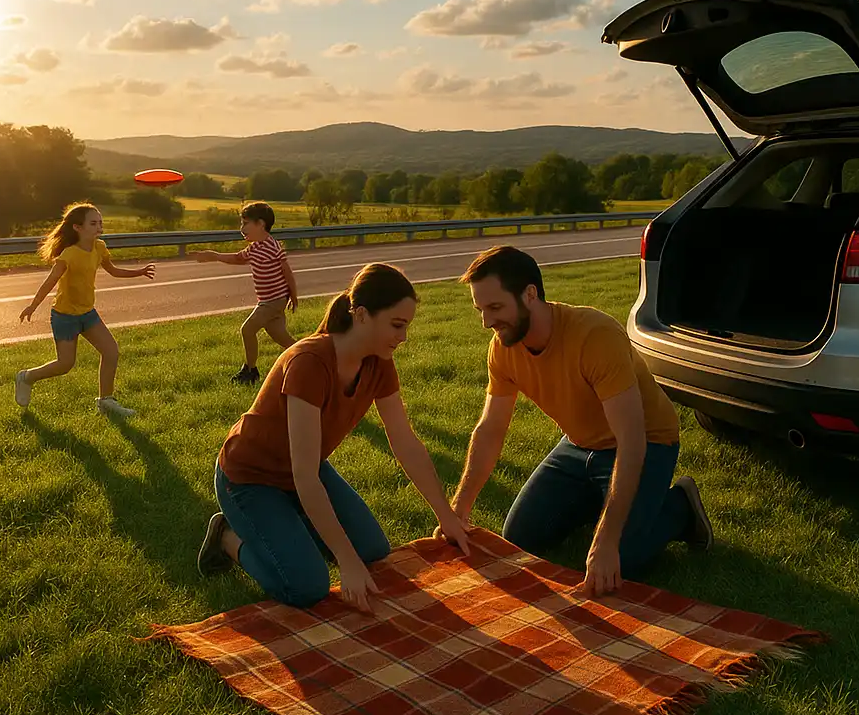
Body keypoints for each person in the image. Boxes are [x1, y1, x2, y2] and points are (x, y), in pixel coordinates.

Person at [197, 263, 470, 612]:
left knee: (373, 552)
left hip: (303, 471)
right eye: (397, 325)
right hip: (250, 478)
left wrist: (445, 515)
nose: (403, 337)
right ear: (362, 315)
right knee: (307, 587)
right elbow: (305, 476)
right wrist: (345, 559)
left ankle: (291, 529)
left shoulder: (378, 362)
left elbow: (405, 442)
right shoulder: (309, 362)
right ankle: (227, 538)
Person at [443, 245, 713, 598]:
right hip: (577, 445)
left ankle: (680, 506)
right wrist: (459, 508)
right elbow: (491, 428)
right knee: (521, 537)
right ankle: (603, 502)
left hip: (646, 441)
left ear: (529, 295)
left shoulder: (594, 335)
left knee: (623, 558)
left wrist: (605, 540)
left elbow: (632, 440)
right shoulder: (502, 348)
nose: (487, 322)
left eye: (495, 307)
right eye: (481, 309)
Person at [15, 202, 156, 417]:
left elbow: (113, 271)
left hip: (87, 314)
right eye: (93, 223)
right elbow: (50, 281)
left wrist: (140, 272)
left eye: (100, 222)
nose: (99, 226)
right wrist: (33, 306)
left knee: (111, 352)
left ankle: (106, 402)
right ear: (77, 227)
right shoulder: (68, 255)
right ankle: (27, 377)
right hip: (65, 317)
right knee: (65, 364)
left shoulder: (100, 247)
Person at [193, 201, 298, 385]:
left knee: (247, 330)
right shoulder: (254, 248)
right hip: (267, 301)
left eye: (245, 223)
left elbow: (287, 271)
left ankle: (250, 371)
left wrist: (294, 295)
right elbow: (237, 258)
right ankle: (308, 355)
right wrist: (215, 256)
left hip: (274, 301)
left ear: (261, 224)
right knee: (282, 338)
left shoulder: (272, 247)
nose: (241, 228)